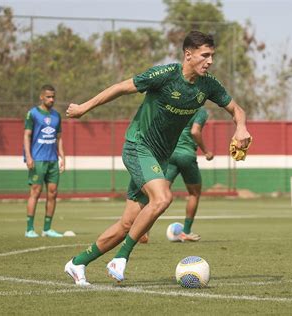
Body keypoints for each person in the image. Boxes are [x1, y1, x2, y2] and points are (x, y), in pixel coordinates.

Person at [64, 31, 251, 285]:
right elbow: (121, 87)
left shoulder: (208, 85)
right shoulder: (165, 75)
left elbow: (237, 110)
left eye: (212, 56)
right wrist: (84, 108)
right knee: (163, 197)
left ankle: (77, 263)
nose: (210, 61)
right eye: (205, 55)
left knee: (127, 223)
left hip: (159, 157)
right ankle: (121, 258)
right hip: (138, 147)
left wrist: (241, 127)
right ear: (188, 54)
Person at [167, 107, 214, 242]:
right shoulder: (200, 111)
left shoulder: (176, 106)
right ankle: (186, 232)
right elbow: (195, 131)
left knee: (157, 193)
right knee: (194, 193)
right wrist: (206, 151)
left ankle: (143, 232)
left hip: (170, 154)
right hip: (186, 155)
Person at [24, 84, 65, 238]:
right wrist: (28, 156)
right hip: (38, 159)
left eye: (53, 96)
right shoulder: (33, 114)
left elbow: (59, 139)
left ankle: (47, 229)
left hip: (53, 160)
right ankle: (29, 229)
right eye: (48, 96)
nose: (51, 99)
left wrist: (62, 157)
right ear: (42, 97)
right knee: (35, 192)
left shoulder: (56, 116)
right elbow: (27, 136)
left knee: (53, 193)